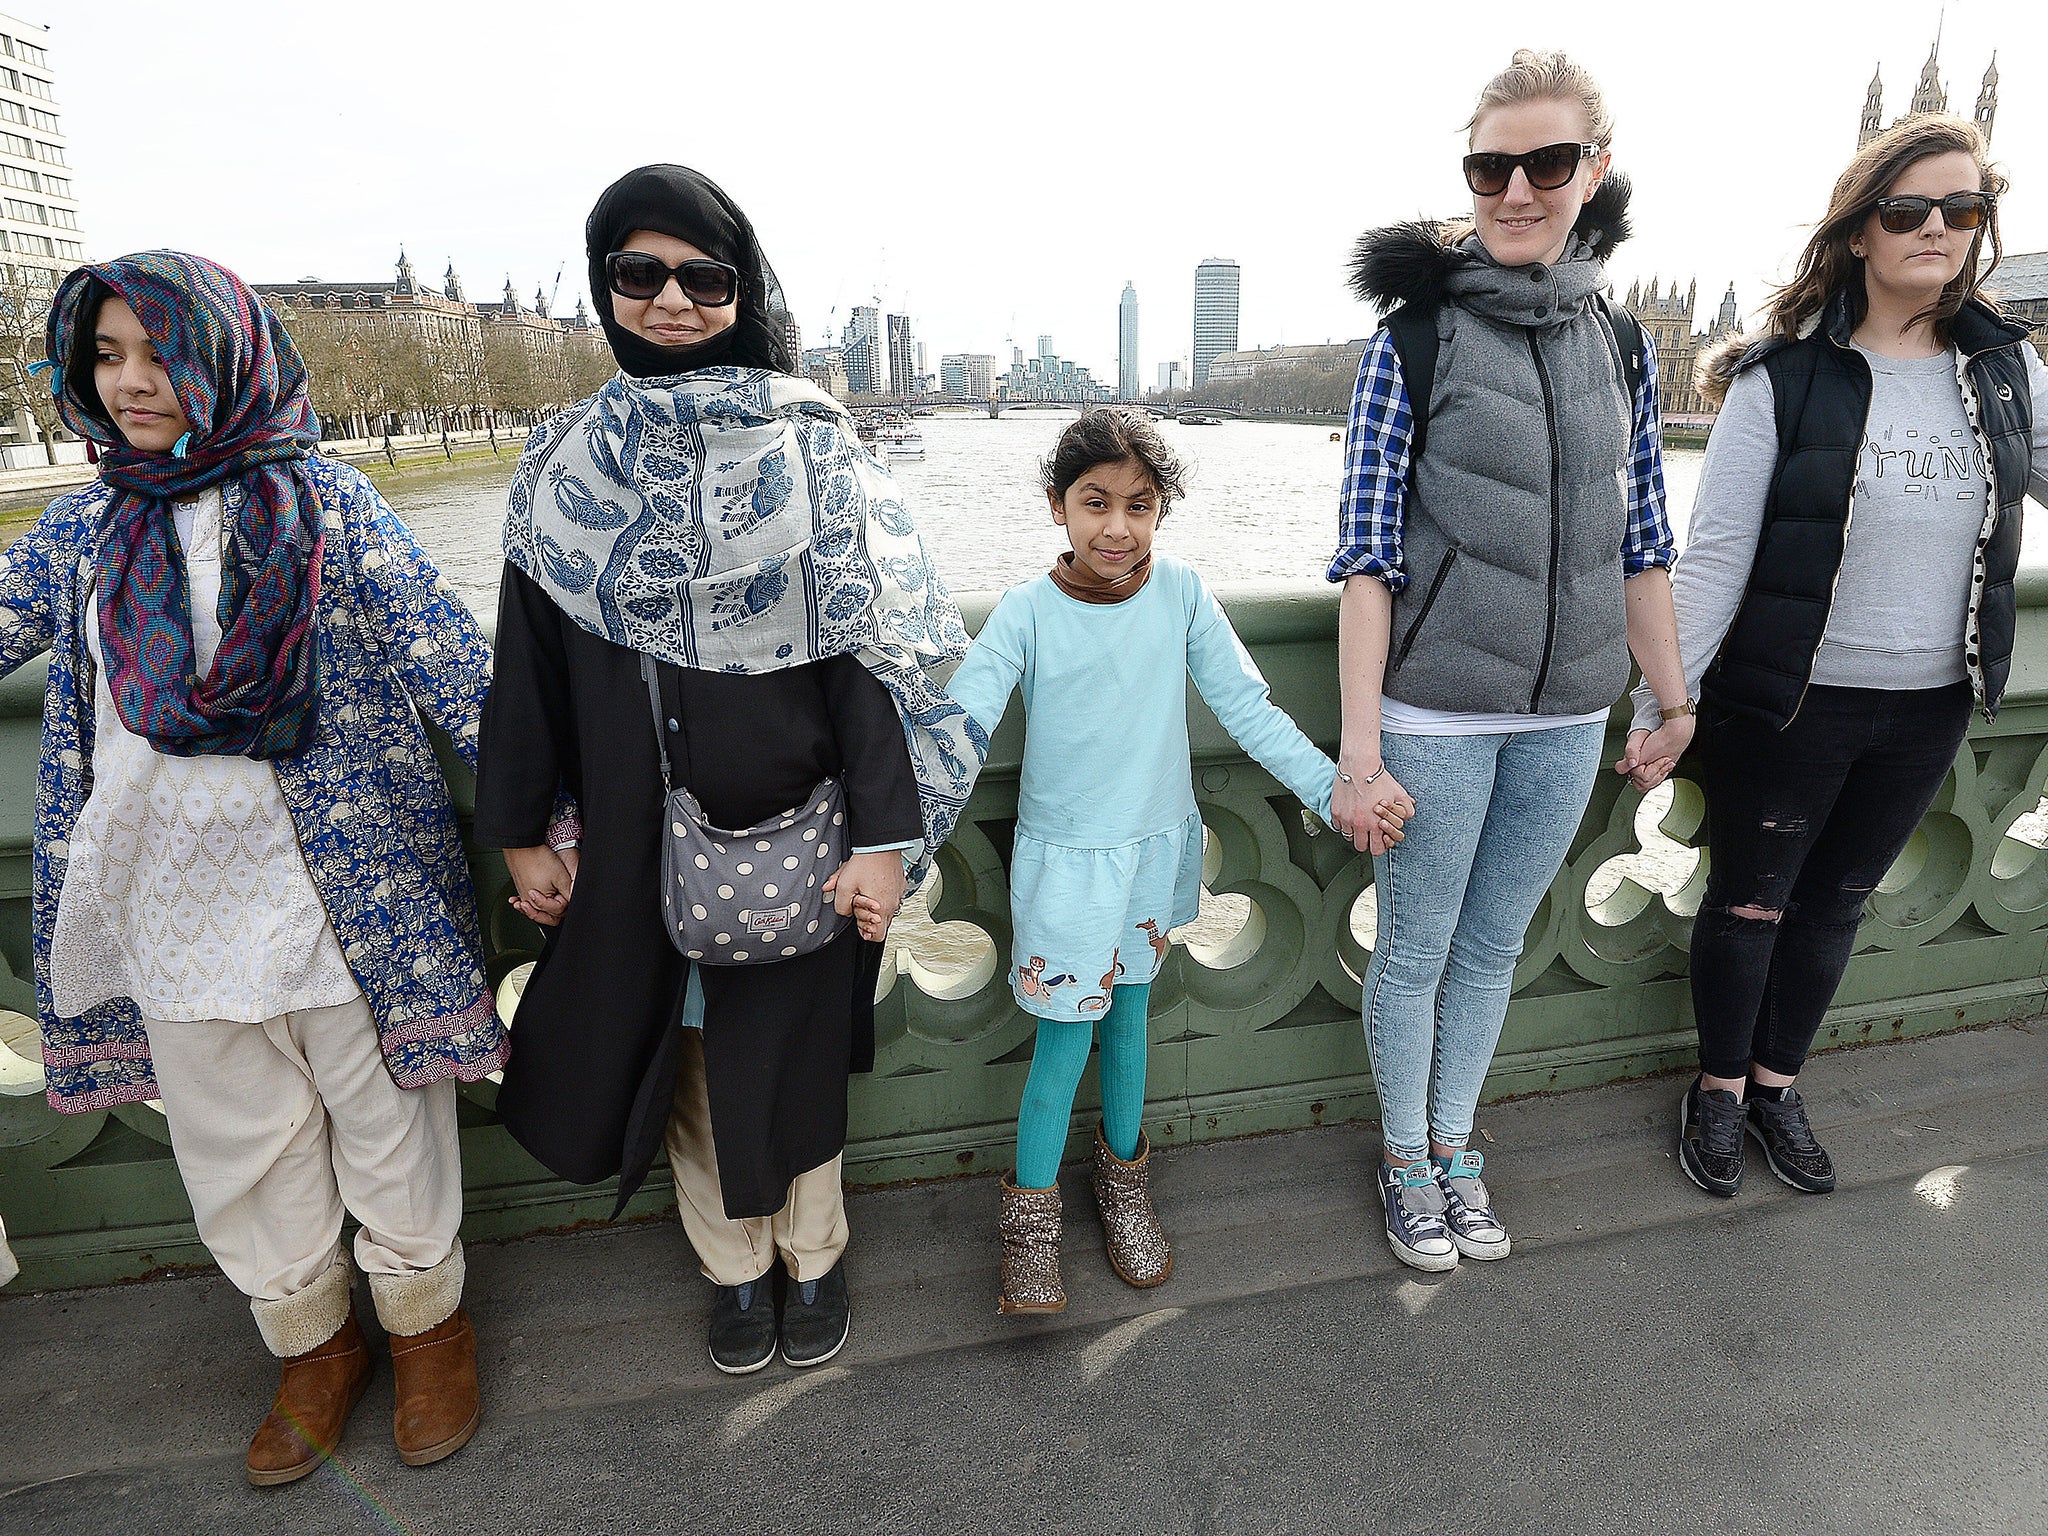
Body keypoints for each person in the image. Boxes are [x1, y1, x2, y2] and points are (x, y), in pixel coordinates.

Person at [0, 253, 501, 1483]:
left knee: (386, 1120)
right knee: (237, 1138)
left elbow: (449, 663)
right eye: (106, 357)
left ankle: (428, 1329)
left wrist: (554, 819)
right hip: (161, 891)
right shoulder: (79, 525)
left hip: (338, 880)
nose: (130, 383)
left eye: (158, 352)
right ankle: (312, 1347)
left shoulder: (330, 502)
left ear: (225, 355)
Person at [475, 165, 982, 1376]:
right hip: (637, 832)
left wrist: (881, 837)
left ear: (742, 291)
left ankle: (815, 1254)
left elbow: (867, 657)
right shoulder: (562, 463)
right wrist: (520, 828)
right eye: (637, 275)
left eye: (704, 277)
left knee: (795, 1051)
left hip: (795, 825)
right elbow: (528, 661)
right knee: (687, 1059)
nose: (669, 301)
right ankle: (734, 1268)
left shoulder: (810, 443)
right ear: (604, 287)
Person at [1620, 116, 2047, 1199]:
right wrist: (1662, 703)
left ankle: (1775, 1083)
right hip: (1789, 698)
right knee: (1752, 900)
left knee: (1837, 903)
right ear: (1859, 229)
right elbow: (1709, 558)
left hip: (1930, 699)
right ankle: (1715, 1091)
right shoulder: (1782, 380)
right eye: (1907, 210)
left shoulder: (2006, 372)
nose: (1936, 230)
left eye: (1963, 211)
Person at [1330, 50, 1690, 1272]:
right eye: (1489, 165)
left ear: (1591, 172)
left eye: (1543, 162)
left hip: (1565, 717)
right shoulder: (1411, 343)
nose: (1514, 189)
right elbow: (1366, 559)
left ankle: (1452, 1138)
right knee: (1418, 946)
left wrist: (1666, 695)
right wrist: (1361, 748)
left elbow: (1644, 542)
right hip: (1435, 713)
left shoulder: (1627, 350)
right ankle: (1402, 1155)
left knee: (1492, 949)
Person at [942, 407, 1336, 1313]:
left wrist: (1330, 789)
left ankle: (1124, 1189)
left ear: (1161, 513)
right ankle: (1029, 1226)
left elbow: (1249, 708)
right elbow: (956, 730)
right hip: (1069, 865)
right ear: (1058, 508)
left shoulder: (1184, 593)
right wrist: (895, 842)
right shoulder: (1026, 610)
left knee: (1129, 1021)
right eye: (1095, 503)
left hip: (1153, 851)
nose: (1117, 527)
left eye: (1140, 505)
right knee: (1061, 1040)